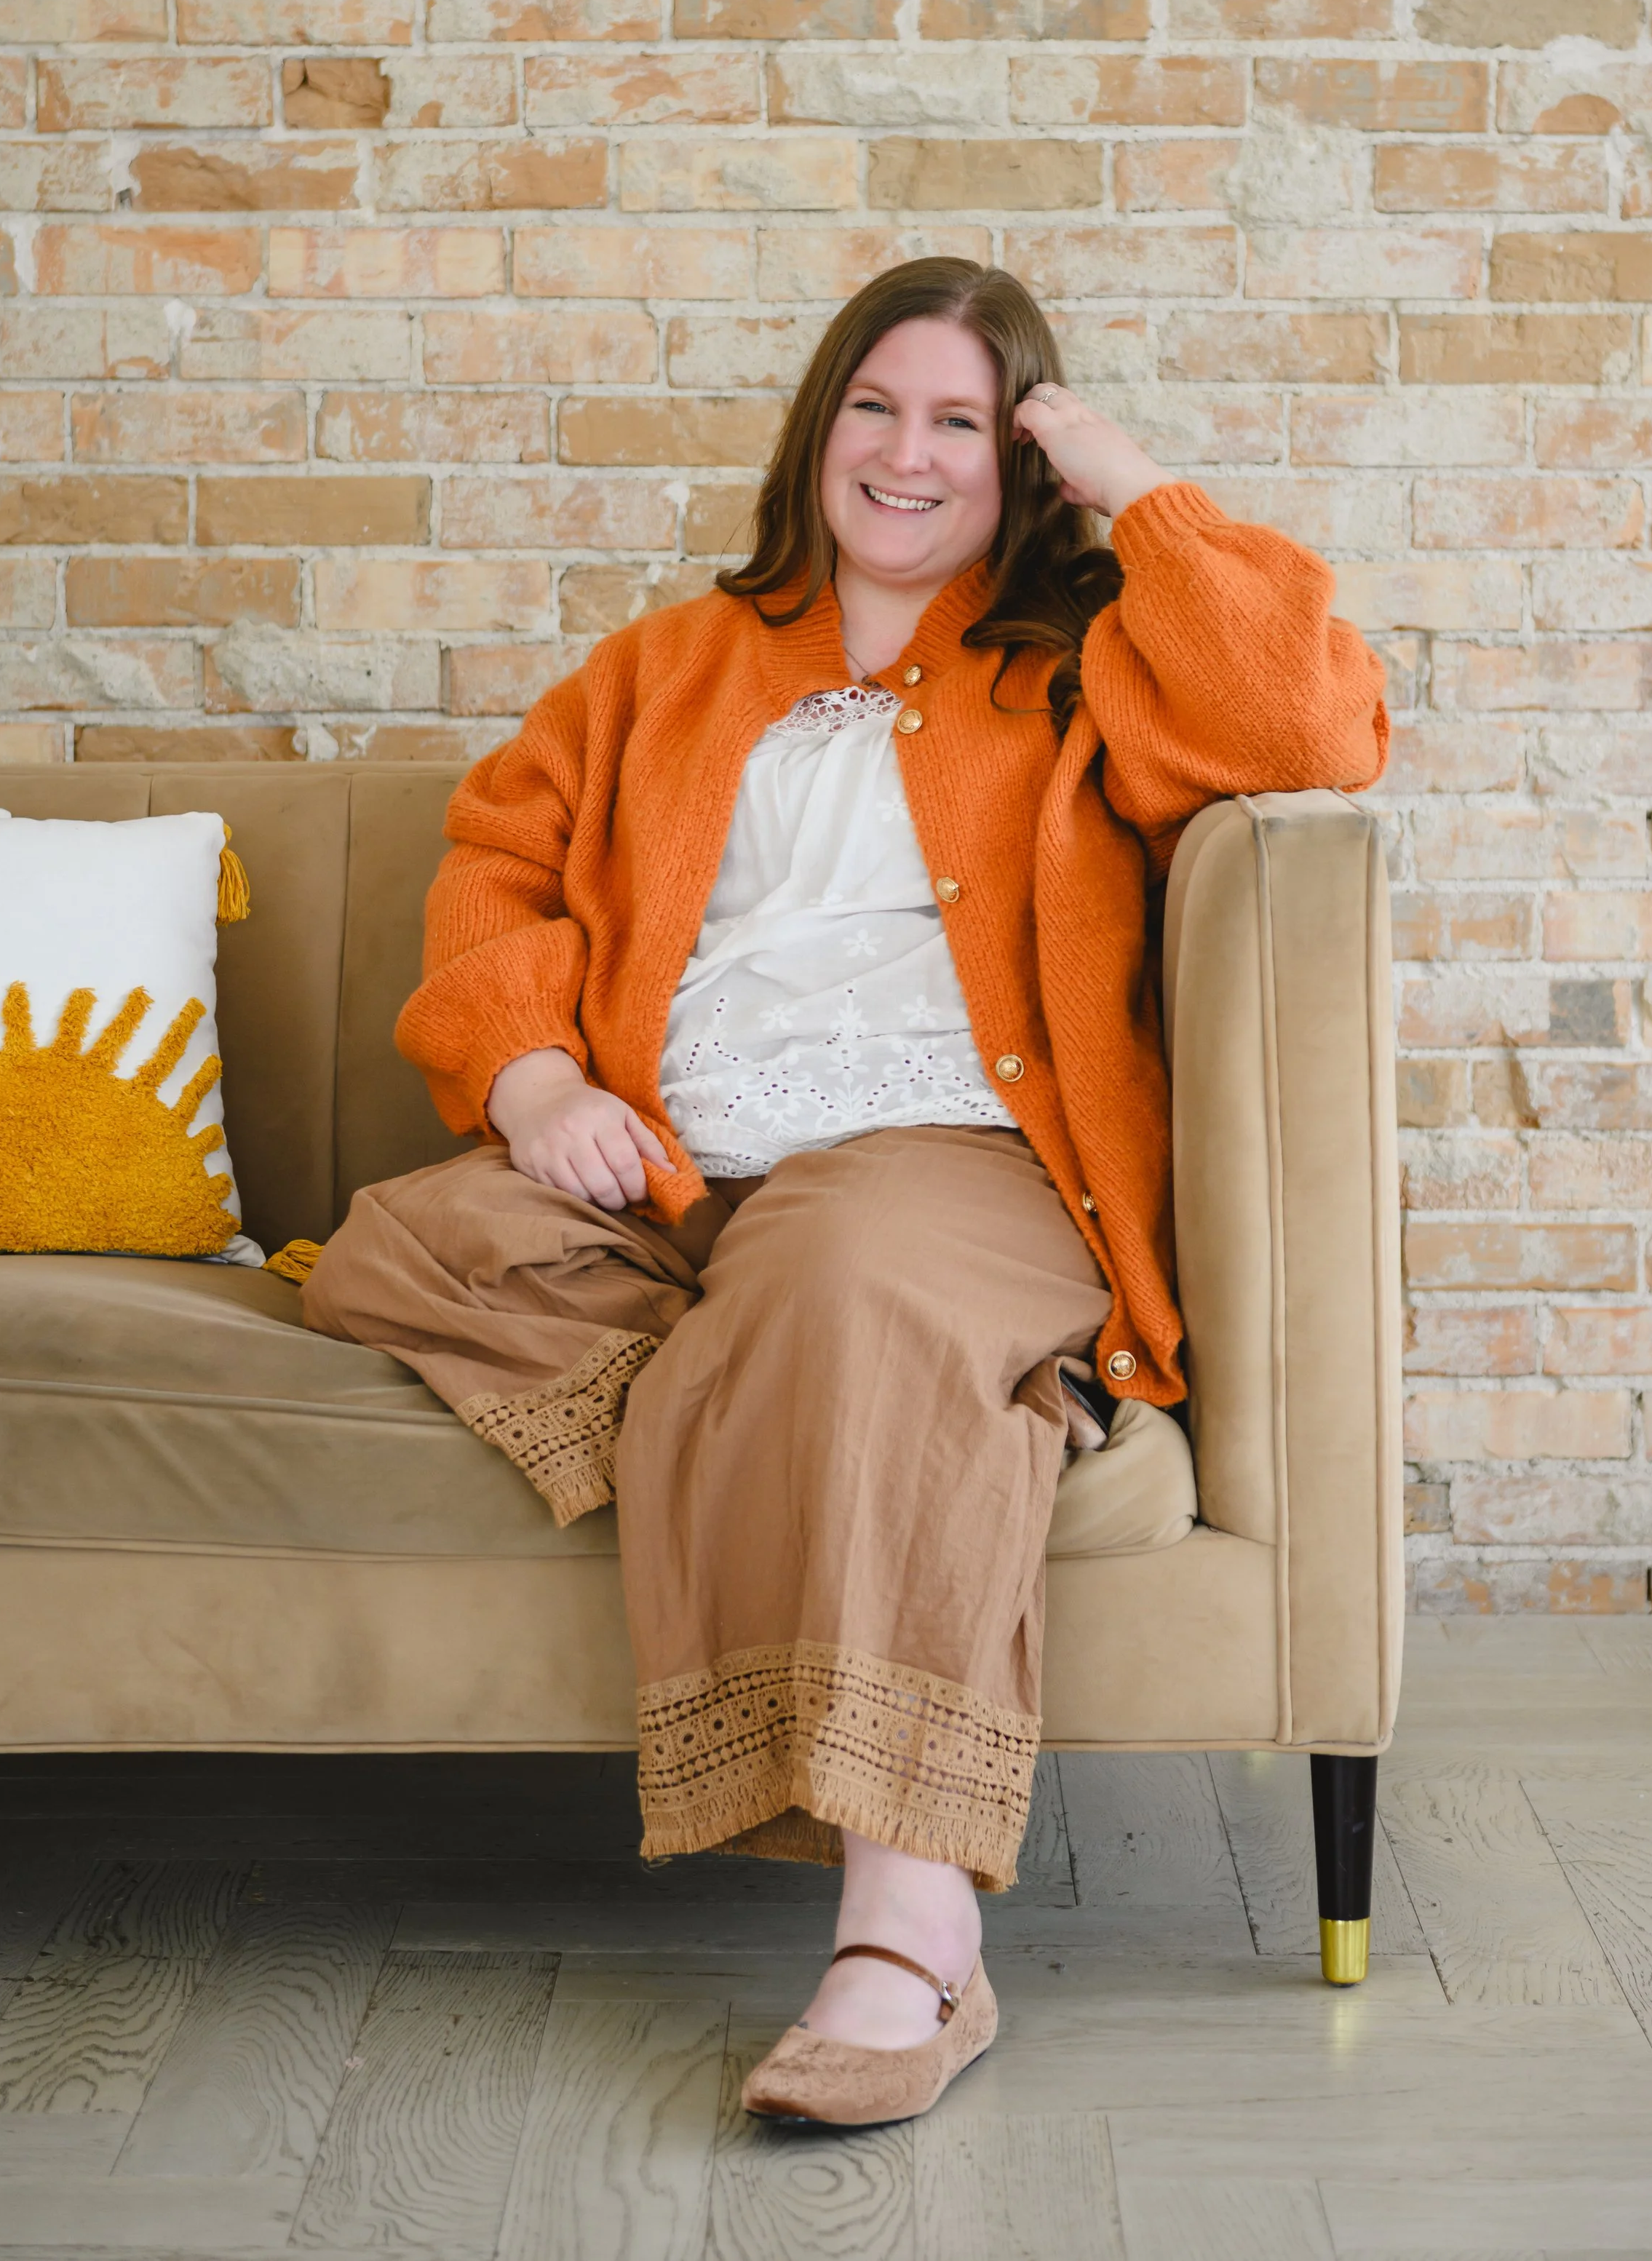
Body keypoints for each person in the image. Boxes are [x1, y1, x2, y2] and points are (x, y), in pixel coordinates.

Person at [301, 257, 1387, 2126]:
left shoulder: (1083, 667)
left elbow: (1308, 736)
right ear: (820, 431)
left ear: (1017, 465)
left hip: (941, 1154)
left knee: (845, 1287)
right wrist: (538, 1072)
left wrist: (1139, 495)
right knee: (412, 1243)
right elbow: (499, 863)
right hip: (669, 1174)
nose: (907, 454)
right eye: (878, 408)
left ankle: (910, 1936)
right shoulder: (665, 666)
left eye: (962, 423)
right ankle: (806, 1381)